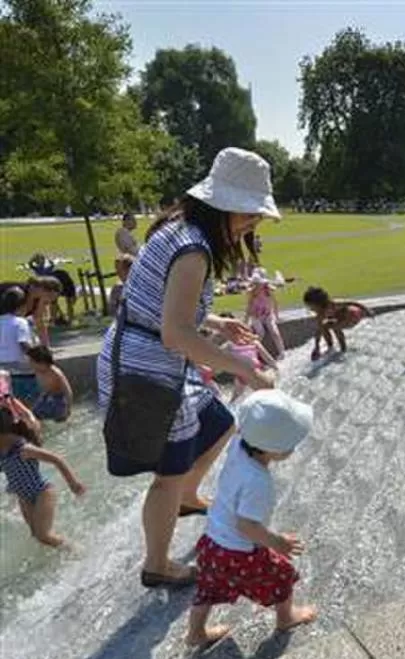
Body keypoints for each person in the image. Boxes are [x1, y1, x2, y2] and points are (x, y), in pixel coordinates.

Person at [97, 147, 279, 589]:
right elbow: (176, 334)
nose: (252, 222)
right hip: (146, 368)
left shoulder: (179, 229)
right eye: (249, 213)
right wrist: (247, 370)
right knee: (168, 472)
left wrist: (216, 323)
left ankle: (187, 497)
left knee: (218, 421)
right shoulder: (194, 248)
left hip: (148, 357)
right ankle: (157, 564)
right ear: (223, 206)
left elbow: (165, 308)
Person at [186, 389, 317, 646]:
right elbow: (246, 525)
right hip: (239, 551)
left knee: (208, 590)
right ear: (275, 449)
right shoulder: (259, 483)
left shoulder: (238, 445)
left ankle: (196, 633)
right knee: (282, 574)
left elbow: (243, 427)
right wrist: (276, 542)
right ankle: (286, 617)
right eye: (291, 443)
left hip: (212, 542)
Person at [1, 396, 85, 548]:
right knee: (37, 536)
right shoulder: (3, 451)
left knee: (43, 535)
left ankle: (76, 550)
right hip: (24, 497)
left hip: (41, 492)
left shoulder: (23, 449)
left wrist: (73, 483)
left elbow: (56, 459)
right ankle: (61, 553)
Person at [303, 286, 373, 359]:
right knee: (324, 326)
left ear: (319, 304)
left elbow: (352, 303)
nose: (310, 309)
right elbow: (318, 332)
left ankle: (343, 349)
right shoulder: (320, 315)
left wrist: (367, 310)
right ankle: (330, 346)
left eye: (311, 307)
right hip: (342, 318)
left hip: (353, 315)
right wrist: (317, 347)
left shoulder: (333, 304)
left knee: (334, 326)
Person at [0, 287, 38, 403]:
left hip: (1, 370)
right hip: (20, 371)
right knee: (29, 403)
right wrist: (39, 357)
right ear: (21, 306)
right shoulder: (20, 322)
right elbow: (23, 344)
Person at [26, 346, 72, 422]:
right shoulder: (37, 370)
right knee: (34, 415)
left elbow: (68, 392)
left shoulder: (55, 373)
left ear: (41, 362)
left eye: (31, 361)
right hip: (46, 397)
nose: (29, 363)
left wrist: (68, 409)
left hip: (59, 399)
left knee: (59, 419)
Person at [246, 272, 286, 359]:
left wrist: (277, 316)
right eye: (257, 284)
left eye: (259, 283)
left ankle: (282, 352)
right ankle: (253, 353)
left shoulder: (268, 290)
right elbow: (249, 306)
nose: (259, 286)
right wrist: (246, 320)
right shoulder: (251, 293)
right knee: (260, 333)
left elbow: (275, 303)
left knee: (275, 332)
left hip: (268, 315)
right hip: (256, 316)